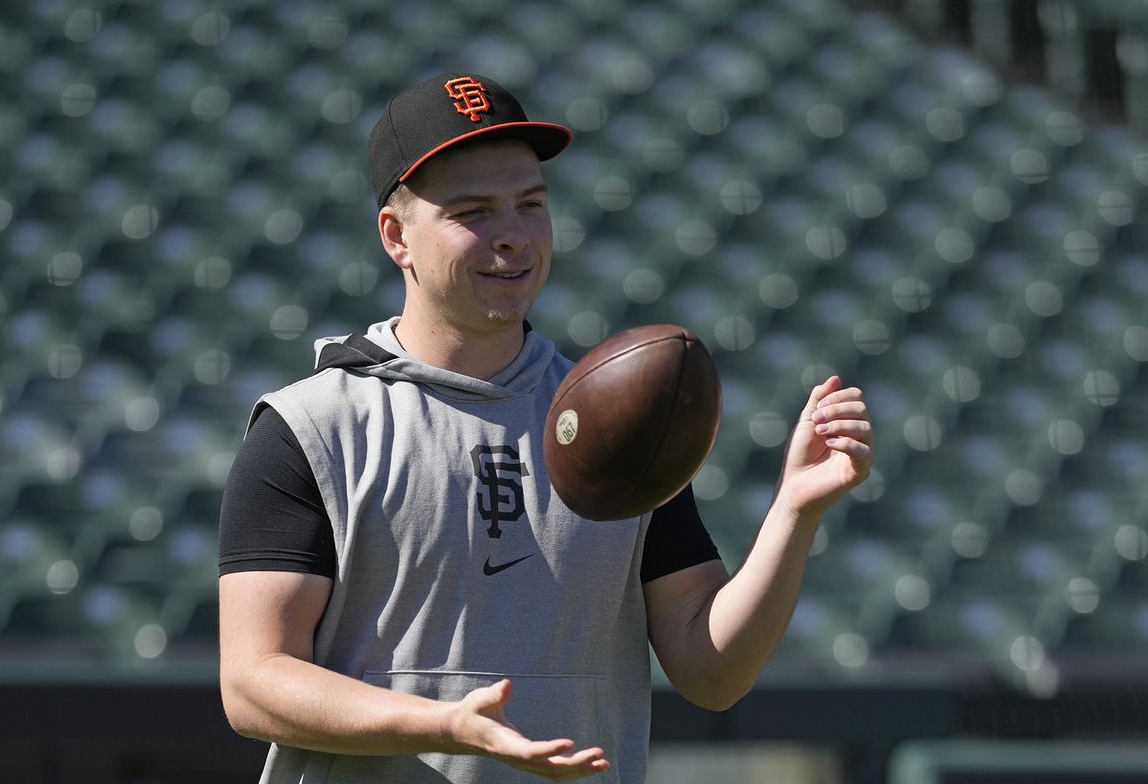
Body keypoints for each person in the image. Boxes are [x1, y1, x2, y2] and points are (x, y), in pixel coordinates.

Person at [218, 73, 874, 783]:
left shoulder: (616, 419)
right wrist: (441, 724)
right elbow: (254, 680)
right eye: (473, 212)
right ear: (396, 236)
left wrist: (794, 513)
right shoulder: (311, 425)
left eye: (531, 204)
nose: (514, 236)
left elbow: (709, 669)